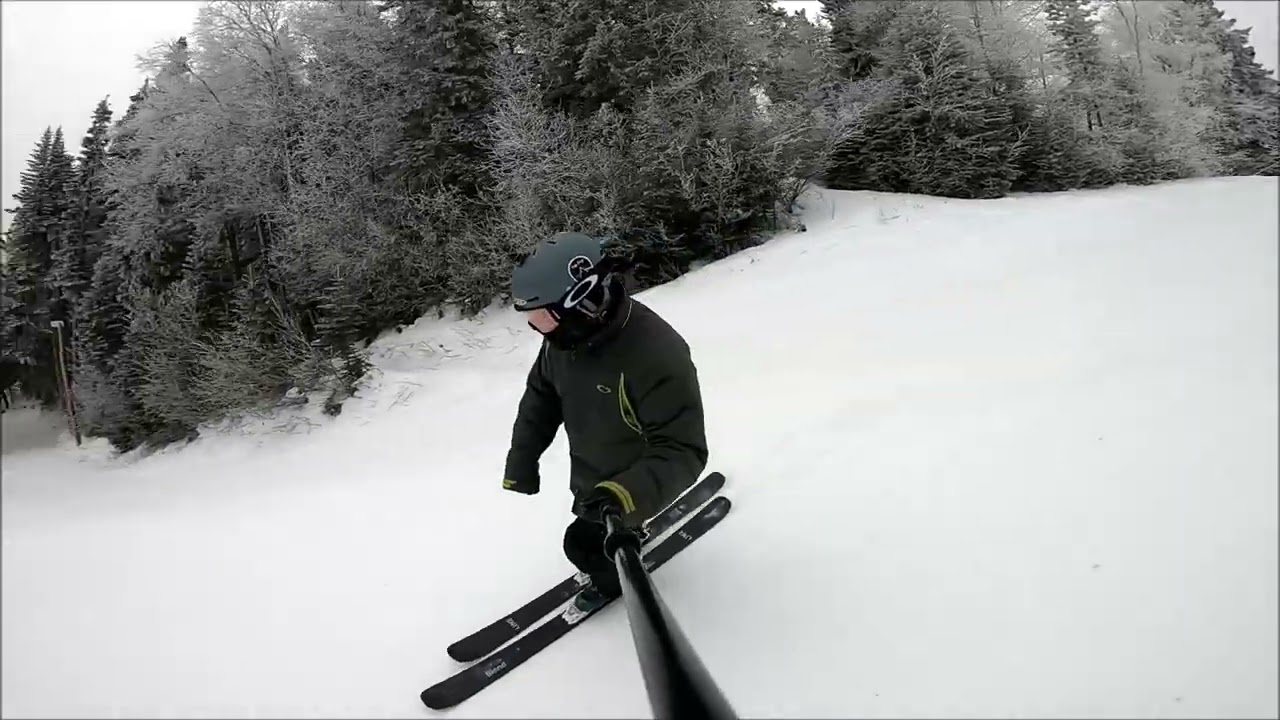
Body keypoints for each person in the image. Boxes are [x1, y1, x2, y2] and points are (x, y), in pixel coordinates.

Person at [502, 231, 709, 612]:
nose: (537, 329)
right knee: (587, 534)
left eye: (541, 317)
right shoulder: (566, 342)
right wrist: (522, 461)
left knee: (580, 544)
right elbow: (540, 399)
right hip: (590, 473)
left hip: (631, 483)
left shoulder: (657, 354)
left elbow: (684, 449)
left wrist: (623, 496)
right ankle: (613, 547)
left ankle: (612, 582)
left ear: (584, 300)